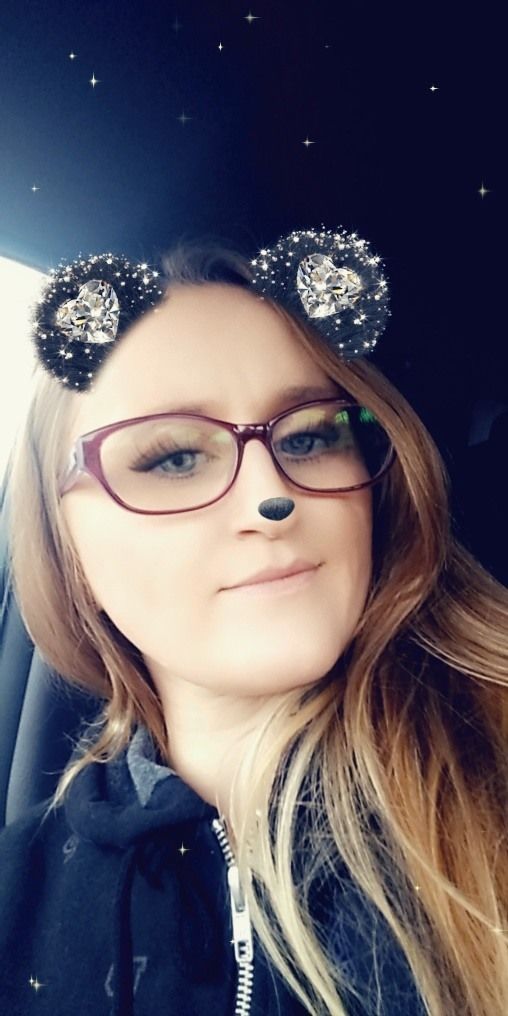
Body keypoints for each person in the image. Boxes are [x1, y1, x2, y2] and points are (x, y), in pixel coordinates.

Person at [0, 227, 507, 1016]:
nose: (273, 497)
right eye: (172, 458)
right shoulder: (16, 892)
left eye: (309, 436)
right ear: (67, 549)